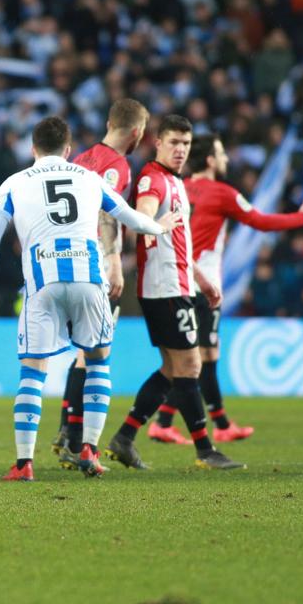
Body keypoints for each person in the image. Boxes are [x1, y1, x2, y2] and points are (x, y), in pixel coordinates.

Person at [0, 115, 180, 480]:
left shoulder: (13, 184)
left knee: (32, 372)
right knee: (98, 361)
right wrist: (159, 226)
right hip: (88, 275)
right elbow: (129, 217)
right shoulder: (89, 178)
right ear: (68, 150)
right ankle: (90, 450)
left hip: (42, 279)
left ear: (33, 149)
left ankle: (24, 464)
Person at [151, 132, 303, 444]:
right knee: (201, 357)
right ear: (211, 160)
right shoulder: (222, 192)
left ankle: (210, 422)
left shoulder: (177, 189)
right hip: (203, 283)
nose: (226, 159)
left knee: (196, 356)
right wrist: (302, 216)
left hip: (174, 280)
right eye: (222, 153)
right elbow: (261, 222)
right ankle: (166, 422)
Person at [104, 114, 245, 472]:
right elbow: (144, 217)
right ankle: (204, 449)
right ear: (158, 143)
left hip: (179, 282)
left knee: (172, 368)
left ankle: (125, 437)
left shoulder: (175, 182)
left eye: (185, 144)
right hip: (164, 287)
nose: (181, 150)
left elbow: (178, 242)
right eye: (174, 143)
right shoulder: (154, 179)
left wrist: (202, 278)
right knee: (191, 364)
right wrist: (152, 224)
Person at [54, 98, 148, 468]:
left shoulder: (81, 159)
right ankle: (78, 441)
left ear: (110, 121)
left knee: (82, 351)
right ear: (138, 132)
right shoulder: (116, 166)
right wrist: (113, 261)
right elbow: (104, 212)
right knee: (97, 351)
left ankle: (68, 434)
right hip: (91, 262)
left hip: (62, 259)